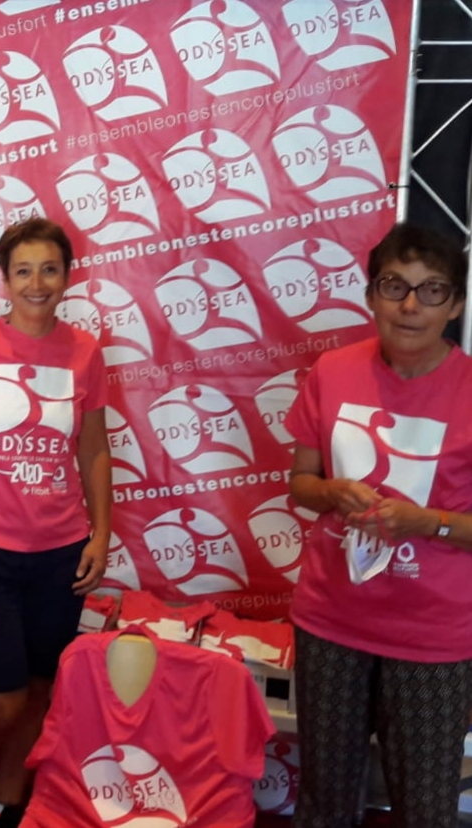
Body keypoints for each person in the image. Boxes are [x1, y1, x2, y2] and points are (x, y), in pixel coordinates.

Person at [285, 221, 472, 828]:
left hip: (432, 638)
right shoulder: (333, 370)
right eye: (395, 286)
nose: (410, 305)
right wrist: (330, 492)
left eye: (432, 290)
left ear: (456, 305)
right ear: (371, 296)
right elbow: (300, 483)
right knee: (325, 804)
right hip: (331, 621)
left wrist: (428, 522)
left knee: (425, 809)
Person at [0, 217, 112, 828]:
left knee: (38, 689)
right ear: (5, 280)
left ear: (67, 276)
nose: (37, 283)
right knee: (2, 697)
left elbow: (93, 448)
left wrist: (102, 533)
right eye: (24, 271)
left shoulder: (85, 353)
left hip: (61, 551)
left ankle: (8, 803)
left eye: (49, 269)